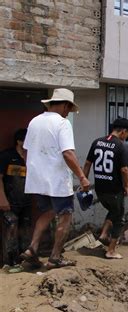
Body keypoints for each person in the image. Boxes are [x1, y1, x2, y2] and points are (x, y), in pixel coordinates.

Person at [20, 88, 90, 269]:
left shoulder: (34, 121)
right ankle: (55, 257)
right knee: (65, 217)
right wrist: (82, 177)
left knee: (48, 212)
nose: (68, 113)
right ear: (65, 105)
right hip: (57, 181)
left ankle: (32, 249)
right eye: (69, 109)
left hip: (38, 180)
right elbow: (68, 153)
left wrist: (35, 170)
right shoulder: (62, 123)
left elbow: (25, 150)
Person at [83, 118, 128, 259]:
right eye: (127, 134)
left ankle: (104, 235)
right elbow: (124, 170)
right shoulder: (121, 146)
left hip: (100, 187)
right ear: (123, 131)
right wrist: (125, 186)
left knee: (113, 210)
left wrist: (84, 181)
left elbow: (87, 164)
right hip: (114, 189)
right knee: (119, 218)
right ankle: (111, 251)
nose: (126, 137)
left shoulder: (97, 142)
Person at [0, 129, 32, 267]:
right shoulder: (7, 156)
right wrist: (2, 199)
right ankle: (9, 263)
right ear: (20, 141)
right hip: (9, 201)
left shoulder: (32, 157)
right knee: (11, 229)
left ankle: (23, 261)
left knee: (25, 232)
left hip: (26, 201)